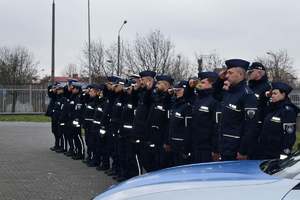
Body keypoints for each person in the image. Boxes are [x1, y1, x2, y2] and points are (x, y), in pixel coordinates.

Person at [213, 59, 259, 161]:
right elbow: (215, 95)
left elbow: (251, 127)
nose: (226, 75)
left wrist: (243, 151)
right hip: (225, 147)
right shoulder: (230, 92)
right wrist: (220, 80)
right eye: (226, 73)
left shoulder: (247, 95)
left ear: (240, 74)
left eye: (230, 72)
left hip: (236, 151)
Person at [259, 82, 299, 159]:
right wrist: (266, 94)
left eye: (275, 93)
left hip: (276, 154)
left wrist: (284, 155)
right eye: (271, 94)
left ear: (283, 94)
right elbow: (260, 102)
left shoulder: (288, 111)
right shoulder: (273, 108)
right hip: (265, 151)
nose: (272, 96)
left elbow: (289, 136)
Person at [189, 72, 219, 163]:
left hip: (207, 148)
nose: (199, 85)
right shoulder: (198, 98)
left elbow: (216, 126)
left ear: (211, 84)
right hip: (195, 145)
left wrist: (215, 149)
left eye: (203, 83)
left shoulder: (214, 100)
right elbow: (187, 96)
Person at [166, 80, 192, 166]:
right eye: (176, 90)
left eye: (179, 90)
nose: (177, 92)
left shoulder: (187, 106)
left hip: (182, 146)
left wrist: (186, 147)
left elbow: (188, 128)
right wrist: (168, 142)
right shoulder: (174, 104)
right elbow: (170, 125)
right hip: (173, 145)